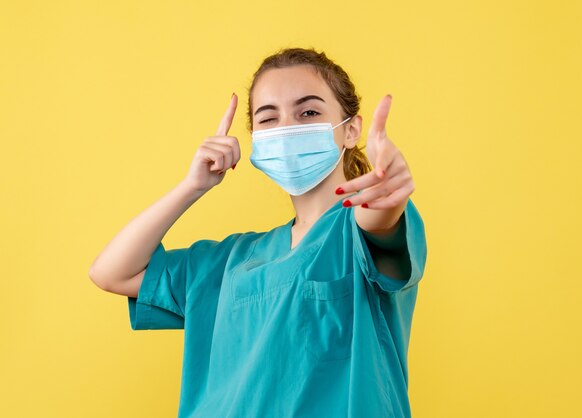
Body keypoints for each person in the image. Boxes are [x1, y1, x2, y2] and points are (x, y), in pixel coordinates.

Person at [89, 47, 428, 418]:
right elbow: (111, 272)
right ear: (254, 141)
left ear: (350, 130)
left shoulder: (356, 229)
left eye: (309, 112)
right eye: (268, 119)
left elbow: (379, 222)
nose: (286, 128)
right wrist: (192, 186)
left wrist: (387, 189)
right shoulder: (230, 260)